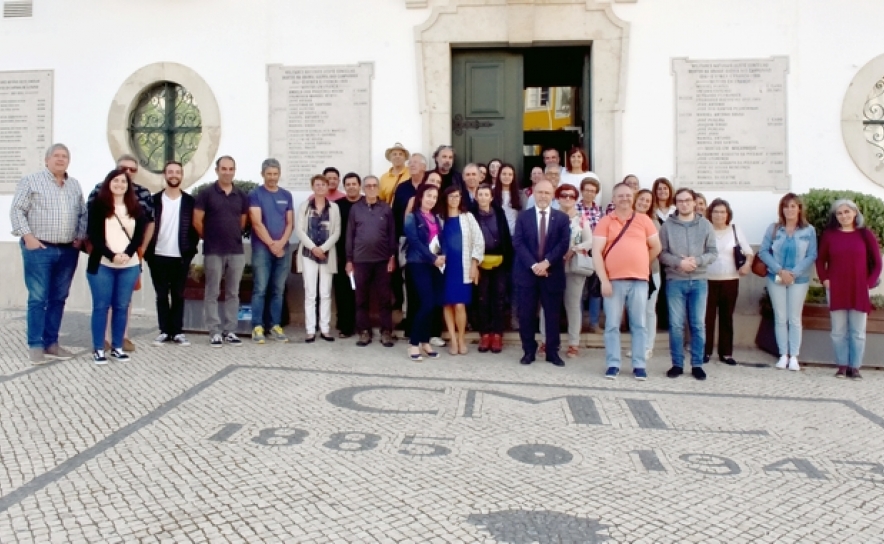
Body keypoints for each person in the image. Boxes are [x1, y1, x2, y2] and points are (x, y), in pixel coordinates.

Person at [10, 143, 87, 364]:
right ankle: (35, 345)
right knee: (38, 298)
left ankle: (51, 343)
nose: (60, 159)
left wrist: (79, 237)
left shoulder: (74, 185)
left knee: (59, 298)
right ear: (47, 160)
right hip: (39, 249)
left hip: (67, 250)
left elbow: (83, 213)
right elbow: (17, 210)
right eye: (56, 156)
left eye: (64, 156)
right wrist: (28, 237)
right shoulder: (31, 181)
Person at [87, 154, 156, 352]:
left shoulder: (139, 200)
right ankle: (101, 345)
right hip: (103, 261)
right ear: (111, 178)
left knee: (122, 304)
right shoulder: (98, 199)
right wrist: (109, 254)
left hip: (130, 261)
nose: (124, 177)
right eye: (119, 174)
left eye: (130, 172)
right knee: (102, 305)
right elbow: (93, 232)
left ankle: (120, 342)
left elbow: (143, 229)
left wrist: (134, 251)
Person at [593, 182, 661, 380]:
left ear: (633, 198)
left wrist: (640, 262)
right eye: (620, 196)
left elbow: (656, 247)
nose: (625, 199)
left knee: (639, 324)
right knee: (612, 324)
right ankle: (613, 363)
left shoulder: (644, 220)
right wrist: (603, 280)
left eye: (628, 195)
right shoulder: (606, 221)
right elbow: (596, 252)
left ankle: (639, 364)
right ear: (613, 200)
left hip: (639, 280)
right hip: (613, 281)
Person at [816, 199, 881, 379]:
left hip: (859, 288)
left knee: (858, 331)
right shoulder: (830, 235)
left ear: (855, 213)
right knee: (838, 330)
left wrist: (868, 283)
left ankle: (855, 367)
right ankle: (842, 366)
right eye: (839, 213)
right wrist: (825, 279)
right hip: (836, 287)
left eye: (847, 212)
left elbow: (877, 263)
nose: (843, 216)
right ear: (835, 216)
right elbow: (820, 260)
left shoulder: (865, 235)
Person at [658, 188, 717, 381]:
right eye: (680, 201)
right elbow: (662, 253)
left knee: (698, 324)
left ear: (694, 202)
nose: (684, 204)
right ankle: (677, 364)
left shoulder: (705, 225)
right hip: (676, 280)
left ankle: (697, 364)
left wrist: (697, 261)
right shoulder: (667, 226)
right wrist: (679, 263)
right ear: (676, 204)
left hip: (699, 281)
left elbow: (712, 252)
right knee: (676, 325)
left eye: (688, 200)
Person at [513, 180, 571, 367]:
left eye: (547, 192)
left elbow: (563, 244)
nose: (543, 196)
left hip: (552, 273)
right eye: (540, 192)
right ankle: (528, 351)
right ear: (533, 194)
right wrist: (534, 265)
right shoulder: (523, 217)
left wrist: (546, 263)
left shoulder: (562, 218)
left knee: (553, 315)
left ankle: (552, 352)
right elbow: (518, 243)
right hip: (527, 274)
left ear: (553, 194)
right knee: (526, 314)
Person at [194, 156, 250, 347]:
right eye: (223, 168)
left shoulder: (241, 195)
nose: (227, 172)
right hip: (213, 250)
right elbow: (197, 221)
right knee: (212, 291)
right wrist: (208, 237)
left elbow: (242, 222)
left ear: (234, 170)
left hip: (236, 250)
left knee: (233, 292)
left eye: (231, 169)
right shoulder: (207, 194)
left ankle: (231, 330)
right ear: (217, 170)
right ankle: (214, 331)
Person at [759, 193, 818, 371]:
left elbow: (812, 255)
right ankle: (783, 355)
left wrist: (793, 273)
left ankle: (794, 356)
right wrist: (780, 270)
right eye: (786, 206)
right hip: (775, 277)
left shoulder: (809, 230)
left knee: (794, 318)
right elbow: (763, 252)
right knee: (780, 317)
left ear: (799, 209)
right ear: (781, 209)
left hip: (798, 279)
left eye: (793, 206)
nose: (789, 210)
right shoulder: (774, 229)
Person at [144, 160, 200, 347]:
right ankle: (164, 330)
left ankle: (177, 331)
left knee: (178, 294)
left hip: (181, 256)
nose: (174, 175)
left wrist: (190, 252)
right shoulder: (154, 200)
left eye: (177, 172)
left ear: (182, 176)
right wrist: (147, 252)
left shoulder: (190, 201)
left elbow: (194, 229)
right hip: (157, 255)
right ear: (165, 175)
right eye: (170, 172)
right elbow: (146, 226)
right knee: (161, 295)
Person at [540, 184, 592, 358]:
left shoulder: (582, 219)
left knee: (573, 305)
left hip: (574, 266)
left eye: (571, 195)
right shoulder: (550, 217)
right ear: (557, 197)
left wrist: (575, 248)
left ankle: (573, 344)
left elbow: (591, 241)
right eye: (564, 195)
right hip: (553, 265)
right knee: (546, 305)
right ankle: (545, 341)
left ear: (576, 198)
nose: (567, 198)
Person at [347, 175, 397, 348]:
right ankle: (364, 332)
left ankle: (386, 332)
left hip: (382, 260)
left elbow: (392, 234)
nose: (371, 188)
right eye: (368, 186)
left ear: (378, 188)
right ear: (363, 188)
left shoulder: (386, 209)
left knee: (384, 298)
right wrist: (349, 259)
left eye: (374, 185)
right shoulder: (355, 209)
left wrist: (392, 256)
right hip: (360, 261)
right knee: (361, 299)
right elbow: (350, 235)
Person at [248, 158, 294, 344]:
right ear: (262, 174)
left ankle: (275, 325)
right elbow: (256, 223)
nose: (272, 177)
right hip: (262, 249)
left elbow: (290, 222)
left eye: (275, 174)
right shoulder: (255, 194)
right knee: (260, 288)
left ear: (279, 174)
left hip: (283, 249)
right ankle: (257, 326)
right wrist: (272, 245)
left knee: (278, 289)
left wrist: (281, 243)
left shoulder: (286, 195)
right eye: (269, 174)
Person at [704, 198, 753, 365]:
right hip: (708, 279)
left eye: (722, 212)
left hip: (730, 279)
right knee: (707, 318)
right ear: (710, 213)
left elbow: (748, 251)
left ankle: (726, 353)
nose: (719, 215)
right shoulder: (705, 229)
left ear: (728, 214)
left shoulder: (735, 229)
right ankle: (706, 351)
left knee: (726, 317)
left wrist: (747, 264)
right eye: (716, 212)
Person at [295, 174, 342, 342]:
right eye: (317, 184)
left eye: (323, 184)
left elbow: (337, 231)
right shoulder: (305, 206)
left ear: (328, 186)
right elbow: (299, 230)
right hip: (309, 254)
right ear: (312, 187)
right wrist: (314, 248)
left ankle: (325, 329)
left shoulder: (334, 208)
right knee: (310, 293)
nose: (320, 187)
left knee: (325, 293)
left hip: (327, 255)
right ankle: (310, 330)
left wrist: (323, 248)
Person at [403, 183, 445, 361]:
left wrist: (441, 256)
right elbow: (415, 242)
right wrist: (433, 258)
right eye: (429, 196)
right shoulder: (412, 217)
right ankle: (414, 344)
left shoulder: (436, 218)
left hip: (435, 265)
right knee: (426, 302)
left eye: (434, 197)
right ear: (421, 197)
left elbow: (440, 240)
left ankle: (426, 342)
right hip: (418, 263)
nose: (431, 200)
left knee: (433, 303)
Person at [440, 185, 484, 355]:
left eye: (457, 196)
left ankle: (461, 339)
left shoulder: (467, 217)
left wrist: (475, 264)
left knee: (459, 305)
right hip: (445, 268)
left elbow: (478, 241)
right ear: (445, 199)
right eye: (451, 196)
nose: (454, 199)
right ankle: (452, 340)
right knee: (447, 304)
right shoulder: (440, 218)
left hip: (463, 266)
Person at [474, 184, 512, 354]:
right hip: (480, 262)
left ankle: (497, 334)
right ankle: (485, 333)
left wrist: (507, 260)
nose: (482, 197)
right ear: (476, 197)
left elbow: (505, 238)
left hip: (499, 262)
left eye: (486, 194)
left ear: (491, 197)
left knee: (499, 298)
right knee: (482, 298)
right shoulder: (471, 215)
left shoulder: (499, 213)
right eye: (480, 194)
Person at [332, 172, 363, 338]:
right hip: (342, 254)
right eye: (348, 184)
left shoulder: (366, 203)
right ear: (344, 187)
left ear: (359, 186)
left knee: (361, 292)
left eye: (354, 184)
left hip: (364, 254)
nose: (351, 187)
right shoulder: (337, 205)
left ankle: (361, 325)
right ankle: (345, 326)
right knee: (343, 292)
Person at [633, 189, 660, 359]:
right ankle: (638, 346)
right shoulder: (626, 218)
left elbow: (657, 247)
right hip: (631, 272)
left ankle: (648, 346)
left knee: (649, 309)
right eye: (641, 199)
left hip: (651, 271)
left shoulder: (653, 223)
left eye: (647, 201)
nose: (643, 203)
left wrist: (643, 263)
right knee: (637, 311)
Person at [577, 177, 604, 333]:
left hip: (596, 253)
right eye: (586, 190)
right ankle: (578, 323)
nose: (589, 193)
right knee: (579, 289)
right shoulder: (575, 208)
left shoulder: (600, 210)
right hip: (580, 252)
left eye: (592, 191)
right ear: (582, 191)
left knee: (595, 289)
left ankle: (594, 323)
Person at [651, 177, 676, 330]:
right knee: (658, 287)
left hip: (673, 254)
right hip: (656, 254)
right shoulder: (652, 211)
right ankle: (659, 321)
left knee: (671, 287)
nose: (662, 191)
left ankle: (669, 322)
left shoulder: (676, 210)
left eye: (665, 188)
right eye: (659, 189)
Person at [492, 163, 522, 234]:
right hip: (497, 233)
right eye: (504, 174)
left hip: (513, 233)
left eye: (510, 174)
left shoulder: (519, 194)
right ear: (499, 175)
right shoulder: (492, 192)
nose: (507, 177)